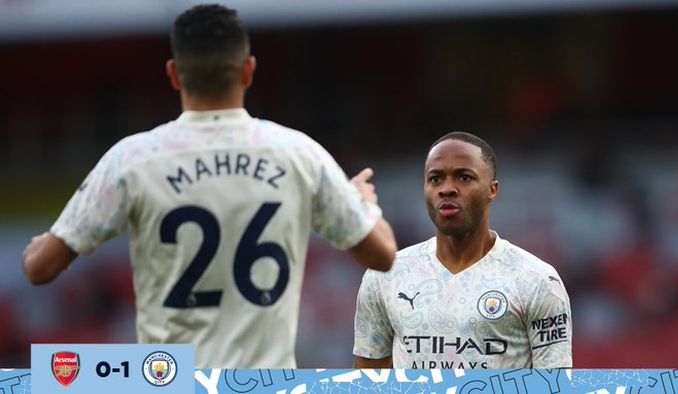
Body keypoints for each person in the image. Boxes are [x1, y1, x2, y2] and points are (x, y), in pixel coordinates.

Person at [23, 4, 397, 369]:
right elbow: (382, 255)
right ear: (248, 71)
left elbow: (40, 268)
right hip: (261, 381)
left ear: (173, 74)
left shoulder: (134, 159)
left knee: (59, 377)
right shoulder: (298, 153)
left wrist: (43, 244)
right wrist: (364, 203)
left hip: (171, 381)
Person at [353, 132, 572, 369]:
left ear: (492, 190)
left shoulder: (537, 281)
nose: (447, 189)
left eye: (464, 177)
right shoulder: (385, 275)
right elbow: (369, 383)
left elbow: (554, 386)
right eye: (435, 179)